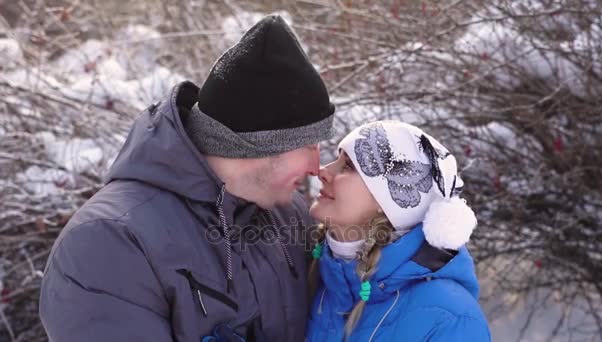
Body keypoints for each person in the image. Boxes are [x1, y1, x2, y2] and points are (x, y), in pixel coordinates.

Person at [39, 15, 335, 341]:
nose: (316, 166)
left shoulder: (287, 213)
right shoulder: (107, 243)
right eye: (308, 145)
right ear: (256, 145)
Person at [306, 121, 491, 341]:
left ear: (389, 200)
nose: (323, 171)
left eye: (348, 166)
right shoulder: (314, 277)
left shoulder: (450, 319)